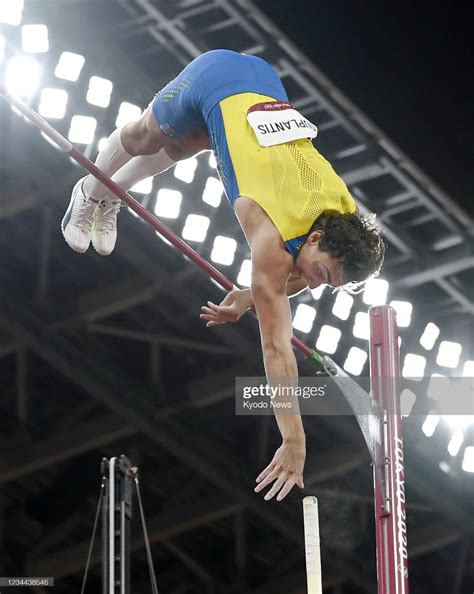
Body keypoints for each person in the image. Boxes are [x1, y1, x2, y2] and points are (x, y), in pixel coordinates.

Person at [62, 49, 384, 502]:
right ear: (314, 238)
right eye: (320, 273)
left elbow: (297, 278)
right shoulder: (273, 242)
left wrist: (249, 295)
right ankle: (92, 192)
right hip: (216, 79)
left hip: (264, 86)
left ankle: (115, 193)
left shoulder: (343, 216)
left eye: (325, 283)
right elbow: (276, 350)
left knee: (183, 145)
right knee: (143, 138)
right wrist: (294, 440)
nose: (313, 284)